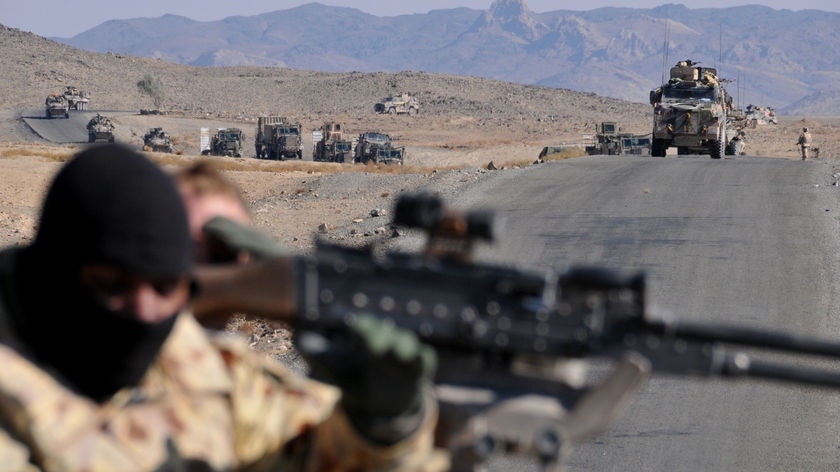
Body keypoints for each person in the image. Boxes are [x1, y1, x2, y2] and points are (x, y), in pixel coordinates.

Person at [0, 144, 447, 471]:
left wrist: (386, 422)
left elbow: (322, 454)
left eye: (166, 284)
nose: (144, 309)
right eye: (112, 283)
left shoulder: (214, 375)